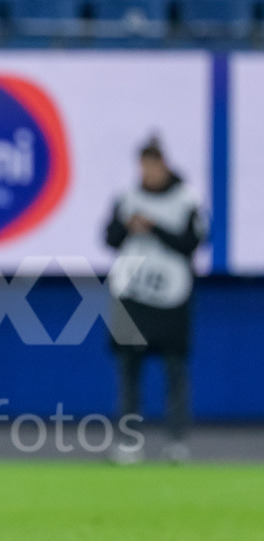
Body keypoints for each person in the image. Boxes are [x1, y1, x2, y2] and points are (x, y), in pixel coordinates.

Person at [105, 136, 206, 463]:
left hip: (172, 294)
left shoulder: (186, 198)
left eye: (152, 165)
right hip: (133, 292)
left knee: (175, 370)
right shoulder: (128, 197)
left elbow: (193, 242)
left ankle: (176, 441)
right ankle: (130, 442)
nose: (147, 172)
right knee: (129, 370)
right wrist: (129, 225)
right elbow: (109, 238)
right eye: (143, 166)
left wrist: (155, 227)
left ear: (164, 164)